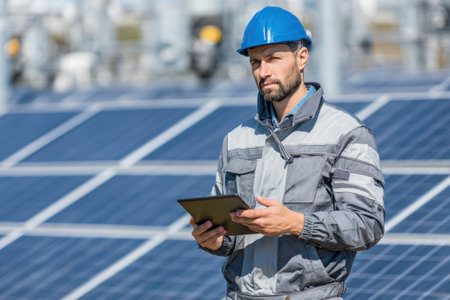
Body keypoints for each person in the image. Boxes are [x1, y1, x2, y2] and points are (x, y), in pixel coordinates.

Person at [190, 6, 385, 300]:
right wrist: (213, 240)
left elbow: (367, 225)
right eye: (255, 62)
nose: (263, 71)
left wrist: (296, 223)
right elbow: (232, 237)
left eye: (273, 59)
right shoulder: (236, 139)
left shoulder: (346, 133)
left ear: (301, 57)